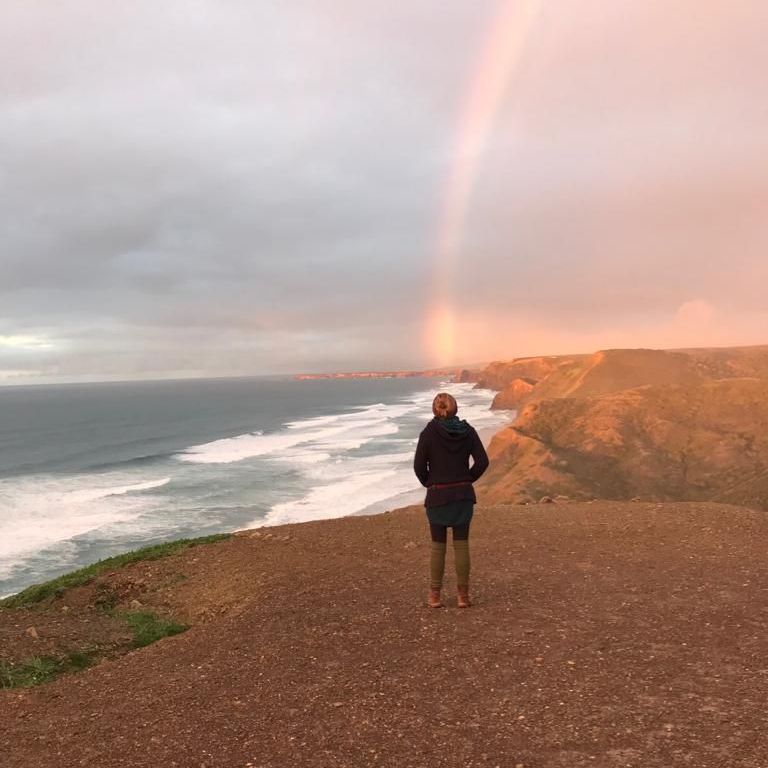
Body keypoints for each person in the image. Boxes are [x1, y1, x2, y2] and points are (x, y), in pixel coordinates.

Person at [413, 392, 489, 608]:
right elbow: (482, 462)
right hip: (463, 496)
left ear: (434, 410)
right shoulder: (468, 431)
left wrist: (429, 483)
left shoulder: (428, 433)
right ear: (455, 409)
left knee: (438, 546)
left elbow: (419, 466)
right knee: (461, 544)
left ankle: (434, 596)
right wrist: (467, 479)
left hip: (437, 495)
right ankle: (463, 597)